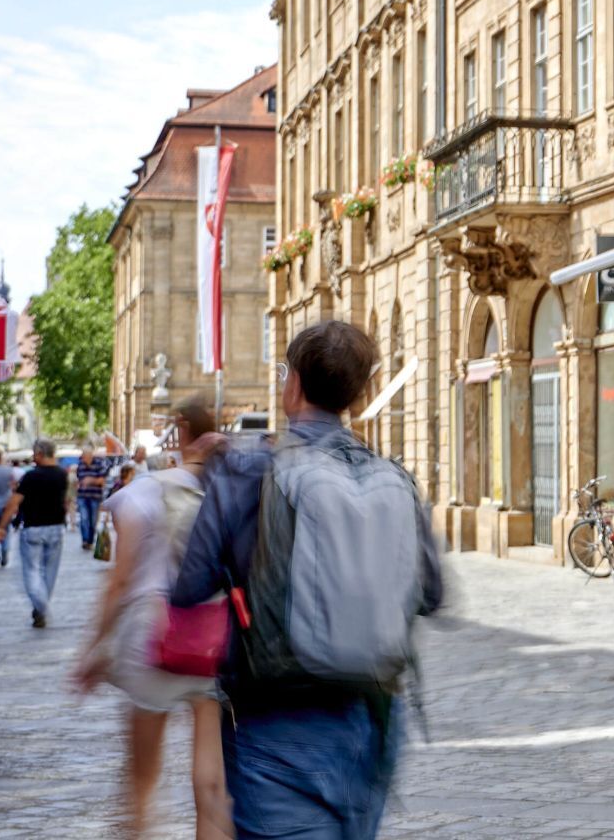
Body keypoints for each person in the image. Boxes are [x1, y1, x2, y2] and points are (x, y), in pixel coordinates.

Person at [171, 320, 443, 839]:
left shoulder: (246, 471)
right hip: (374, 719)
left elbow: (190, 588)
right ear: (357, 396)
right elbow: (431, 595)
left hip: (277, 719)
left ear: (292, 385)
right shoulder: (393, 477)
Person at [74, 399, 232, 839]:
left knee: (141, 783)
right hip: (213, 634)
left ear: (176, 435)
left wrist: (94, 648)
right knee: (213, 783)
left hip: (153, 635)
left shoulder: (144, 490)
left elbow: (119, 582)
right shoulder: (227, 490)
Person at [0, 438, 72, 627]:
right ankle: (40, 608)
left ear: (39, 454)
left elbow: (14, 503)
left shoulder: (31, 477)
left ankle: (41, 607)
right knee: (50, 572)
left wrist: (2, 528)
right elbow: (67, 501)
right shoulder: (62, 475)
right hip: (56, 527)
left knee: (31, 571)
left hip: (33, 529)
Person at [76, 446, 108, 550]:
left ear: (90, 455)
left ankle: (90, 540)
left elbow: (102, 481)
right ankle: (85, 540)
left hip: (95, 497)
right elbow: (79, 479)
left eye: (84, 456)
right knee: (84, 518)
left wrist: (90, 480)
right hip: (82, 496)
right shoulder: (80, 465)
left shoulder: (99, 464)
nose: (83, 458)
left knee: (93, 521)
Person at [0, 446, 14, 568]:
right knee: (5, 530)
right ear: (0, 458)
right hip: (5, 505)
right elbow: (13, 486)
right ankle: (5, 551)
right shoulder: (8, 470)